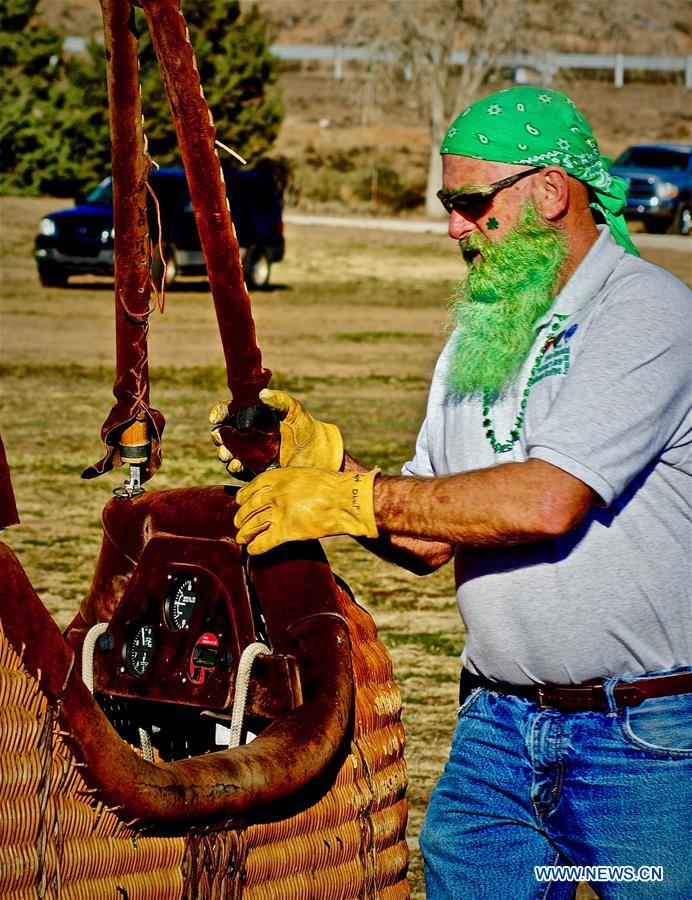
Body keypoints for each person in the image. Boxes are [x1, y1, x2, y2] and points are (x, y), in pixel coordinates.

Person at [211, 87, 692, 899]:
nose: (452, 228)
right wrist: (331, 464)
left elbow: (545, 501)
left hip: (640, 744)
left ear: (549, 191)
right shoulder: (482, 333)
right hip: (495, 733)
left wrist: (347, 500)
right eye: (448, 205)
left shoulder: (647, 314)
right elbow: (432, 535)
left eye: (470, 203)